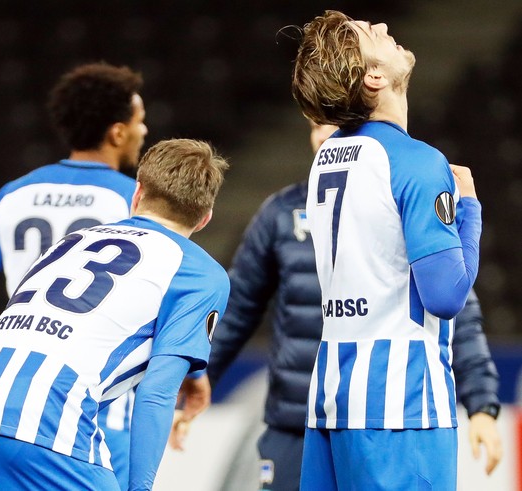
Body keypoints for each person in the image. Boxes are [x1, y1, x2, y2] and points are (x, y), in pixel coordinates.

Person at [204, 120, 502, 491]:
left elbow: (457, 310)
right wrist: (199, 376)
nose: (327, 134)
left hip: (376, 413)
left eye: (339, 124)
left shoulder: (401, 199)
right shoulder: (281, 213)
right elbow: (239, 307)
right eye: (317, 125)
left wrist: (482, 405)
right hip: (297, 419)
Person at [0, 138, 229, 491]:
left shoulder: (74, 240)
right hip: (46, 416)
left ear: (137, 193)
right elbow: (157, 391)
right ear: (205, 219)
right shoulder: (200, 271)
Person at [0, 61, 147, 487]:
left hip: (8, 397)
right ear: (118, 132)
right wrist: (193, 374)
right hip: (95, 405)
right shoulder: (132, 202)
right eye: (140, 121)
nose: (144, 130)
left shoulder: (15, 193)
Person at [290, 11, 483, 489]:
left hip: (332, 399)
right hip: (402, 407)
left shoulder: (326, 157)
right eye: (368, 34)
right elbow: (446, 295)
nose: (380, 26)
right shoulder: (416, 161)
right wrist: (470, 212)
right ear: (374, 78)